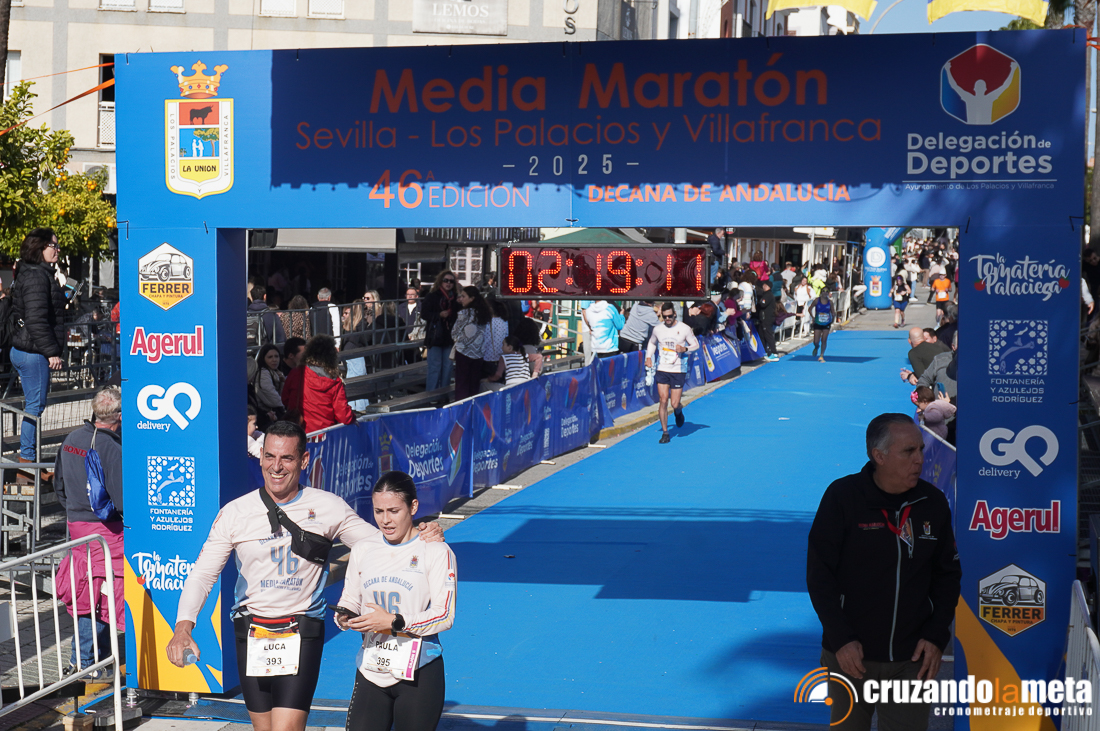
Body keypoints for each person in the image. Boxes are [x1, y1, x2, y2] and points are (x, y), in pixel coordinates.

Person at [167, 422, 445, 731]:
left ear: (304, 460)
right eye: (269, 456)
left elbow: (379, 544)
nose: (276, 467)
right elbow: (202, 574)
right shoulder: (235, 513)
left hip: (301, 630)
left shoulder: (327, 506)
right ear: (260, 456)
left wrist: (421, 532)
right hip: (252, 631)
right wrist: (183, 627)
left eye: (286, 458)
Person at [806, 414, 961, 731]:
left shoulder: (932, 503)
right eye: (908, 451)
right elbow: (820, 576)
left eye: (920, 449)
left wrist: (936, 636)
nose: (919, 459)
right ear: (879, 455)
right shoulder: (843, 497)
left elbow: (947, 576)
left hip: (911, 659)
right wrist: (841, 639)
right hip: (850, 656)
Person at [337, 471, 457, 731]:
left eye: (394, 511)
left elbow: (444, 615)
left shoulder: (436, 551)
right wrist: (345, 616)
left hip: (419, 671)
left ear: (413, 507)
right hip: (371, 667)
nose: (385, 520)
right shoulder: (363, 549)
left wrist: (395, 622)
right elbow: (350, 599)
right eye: (378, 511)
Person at [55, 386, 123, 677]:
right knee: (101, 594)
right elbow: (122, 499)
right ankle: (86, 662)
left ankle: (91, 659)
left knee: (88, 591)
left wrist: (74, 509)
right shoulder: (111, 447)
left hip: (77, 524)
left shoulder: (71, 438)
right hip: (105, 529)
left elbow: (58, 484)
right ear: (119, 416)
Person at [8, 228, 66, 468]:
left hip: (27, 348)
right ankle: (27, 463)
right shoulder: (37, 276)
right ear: (39, 247)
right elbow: (36, 320)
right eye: (54, 245)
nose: (57, 249)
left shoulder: (35, 273)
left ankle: (28, 461)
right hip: (33, 351)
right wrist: (51, 352)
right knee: (34, 407)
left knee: (33, 406)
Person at [645, 303, 699, 444]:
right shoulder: (658, 329)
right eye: (665, 317)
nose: (667, 319)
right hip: (662, 368)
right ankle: (665, 433)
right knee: (663, 400)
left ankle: (678, 412)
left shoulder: (684, 329)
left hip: (678, 369)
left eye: (670, 316)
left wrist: (685, 349)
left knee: (675, 403)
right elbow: (652, 343)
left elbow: (696, 345)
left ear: (674, 314)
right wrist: (648, 357)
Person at [281, 335, 356, 433]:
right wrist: (353, 417)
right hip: (325, 434)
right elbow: (343, 415)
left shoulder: (296, 373)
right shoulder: (335, 381)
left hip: (298, 432)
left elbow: (285, 399)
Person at [452, 286, 491, 401]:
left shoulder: (464, 313)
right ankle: (473, 407)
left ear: (472, 298)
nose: (461, 299)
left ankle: (461, 408)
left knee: (462, 384)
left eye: (464, 296)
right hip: (479, 352)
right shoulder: (485, 313)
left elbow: (454, 333)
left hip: (463, 352)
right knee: (474, 384)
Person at [423, 271, 458, 391]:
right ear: (440, 281)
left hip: (449, 336)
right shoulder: (432, 296)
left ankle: (444, 395)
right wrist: (438, 315)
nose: (448, 283)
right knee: (435, 368)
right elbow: (424, 314)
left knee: (448, 367)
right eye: (445, 280)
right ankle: (431, 395)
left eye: (451, 281)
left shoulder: (456, 298)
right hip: (435, 336)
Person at [255, 344, 287, 423]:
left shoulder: (276, 372)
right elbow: (273, 398)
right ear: (263, 359)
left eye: (276, 356)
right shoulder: (263, 373)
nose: (274, 360)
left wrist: (282, 382)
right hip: (267, 416)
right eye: (270, 357)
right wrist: (286, 407)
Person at [754, 277, 780, 362]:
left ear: (768, 286)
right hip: (763, 318)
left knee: (768, 335)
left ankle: (774, 353)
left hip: (767, 318)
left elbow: (762, 304)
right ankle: (764, 351)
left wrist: (758, 302)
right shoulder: (766, 294)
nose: (763, 286)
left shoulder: (768, 295)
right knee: (762, 334)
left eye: (764, 285)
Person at [809, 289, 834, 362]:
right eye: (823, 291)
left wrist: (832, 319)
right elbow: (809, 309)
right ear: (821, 293)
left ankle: (821, 355)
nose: (825, 293)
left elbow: (833, 312)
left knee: (824, 339)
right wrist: (813, 317)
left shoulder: (830, 302)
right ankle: (816, 347)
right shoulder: (817, 301)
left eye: (827, 292)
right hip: (818, 322)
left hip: (826, 323)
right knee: (816, 341)